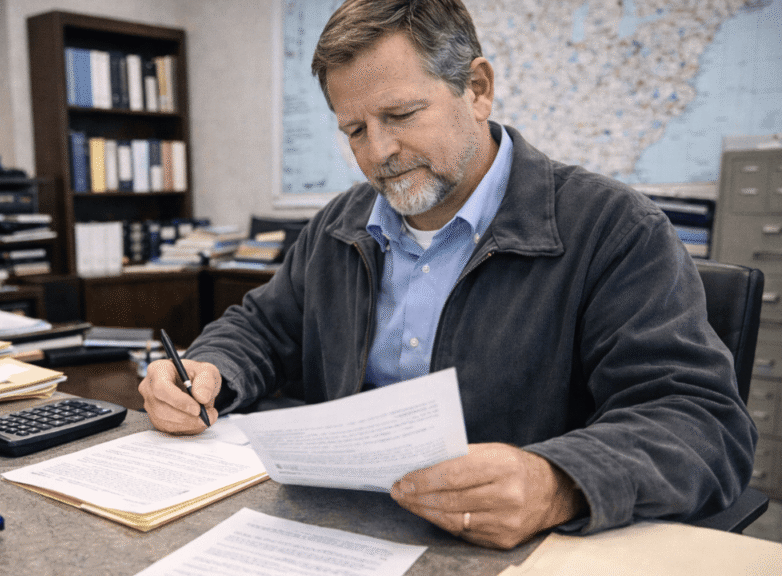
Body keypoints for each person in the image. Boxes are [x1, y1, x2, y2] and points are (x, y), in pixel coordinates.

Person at [139, 0, 756, 550]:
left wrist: (558, 482)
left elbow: (701, 423)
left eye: (402, 114)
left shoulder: (613, 227)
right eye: (355, 129)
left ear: (477, 88)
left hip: (510, 552)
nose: (378, 152)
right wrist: (211, 368)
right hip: (342, 539)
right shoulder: (339, 224)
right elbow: (262, 327)